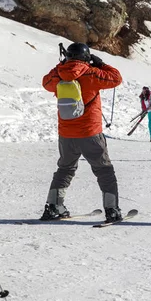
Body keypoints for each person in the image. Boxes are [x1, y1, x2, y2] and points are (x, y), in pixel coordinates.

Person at [40, 42, 123, 223]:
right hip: (90, 132)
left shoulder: (58, 74)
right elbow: (116, 78)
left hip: (66, 134)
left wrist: (62, 65)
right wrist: (101, 64)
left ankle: (53, 206)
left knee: (64, 169)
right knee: (104, 170)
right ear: (86, 57)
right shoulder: (91, 73)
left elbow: (46, 82)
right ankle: (111, 209)